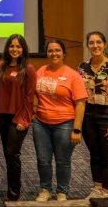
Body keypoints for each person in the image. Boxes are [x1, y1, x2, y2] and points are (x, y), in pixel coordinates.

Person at [33, 39, 87, 202]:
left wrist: (76, 130)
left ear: (64, 53)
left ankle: (62, 191)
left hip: (65, 124)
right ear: (46, 53)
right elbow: (34, 93)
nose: (54, 53)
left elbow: (80, 104)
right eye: (50, 51)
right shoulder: (41, 70)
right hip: (41, 123)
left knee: (63, 161)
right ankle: (45, 189)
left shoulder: (73, 75)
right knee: (43, 160)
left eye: (57, 50)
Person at [78, 31, 108, 198]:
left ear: (104, 44)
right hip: (89, 116)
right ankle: (97, 189)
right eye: (91, 42)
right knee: (95, 155)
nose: (95, 45)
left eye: (99, 42)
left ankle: (106, 193)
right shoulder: (83, 67)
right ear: (88, 45)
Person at [0, 34, 36, 202]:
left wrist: (24, 120)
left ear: (23, 49)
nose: (15, 49)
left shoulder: (28, 69)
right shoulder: (1, 67)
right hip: (3, 116)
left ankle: (14, 192)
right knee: (7, 154)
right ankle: (12, 187)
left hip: (19, 119)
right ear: (7, 48)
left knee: (12, 153)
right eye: (12, 46)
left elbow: (29, 97)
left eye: (18, 47)